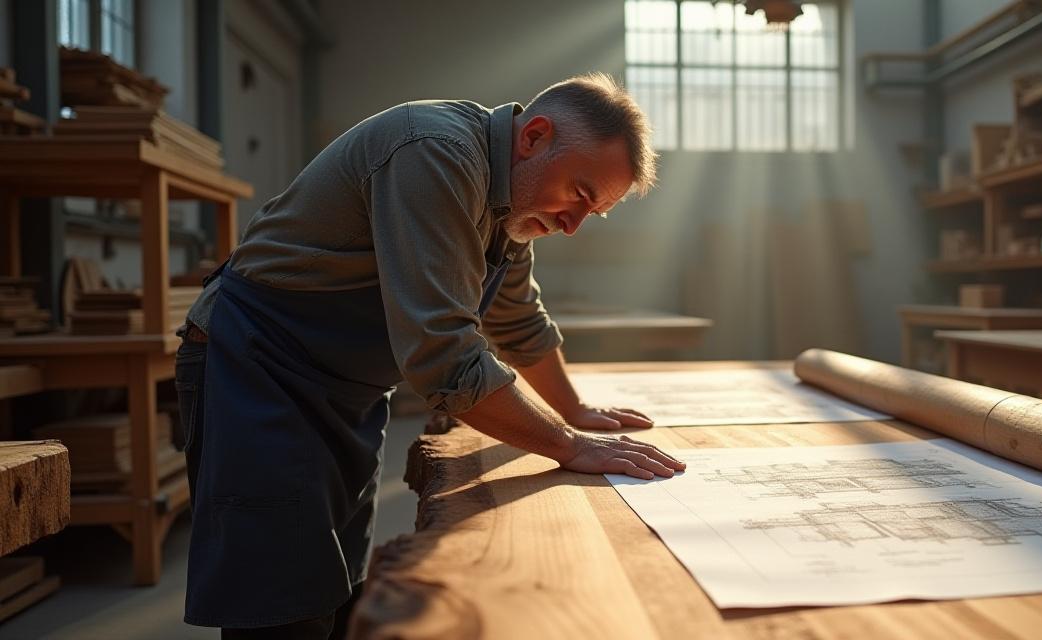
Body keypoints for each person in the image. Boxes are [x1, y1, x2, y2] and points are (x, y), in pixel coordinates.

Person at [174, 73, 685, 639]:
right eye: (580, 195)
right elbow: (443, 359)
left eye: (595, 212)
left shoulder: (512, 201)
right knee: (279, 603)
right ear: (534, 136)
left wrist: (574, 411)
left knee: (333, 586)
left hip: (343, 391)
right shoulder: (436, 153)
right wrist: (569, 446)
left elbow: (517, 321)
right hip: (258, 366)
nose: (572, 225)